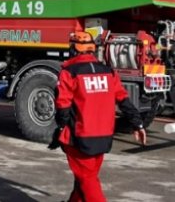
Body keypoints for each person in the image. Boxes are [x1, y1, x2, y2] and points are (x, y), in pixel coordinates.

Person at [49, 31, 147, 202]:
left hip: (80, 138)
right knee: (85, 179)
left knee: (87, 180)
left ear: (73, 49)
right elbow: (123, 100)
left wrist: (60, 129)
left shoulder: (69, 72)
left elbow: (63, 106)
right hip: (104, 138)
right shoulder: (108, 71)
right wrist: (137, 124)